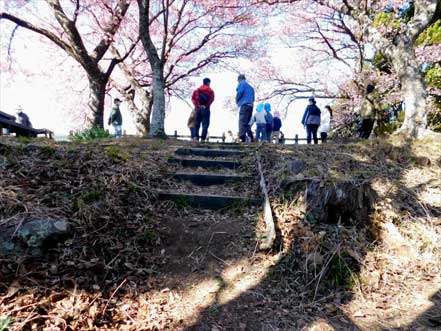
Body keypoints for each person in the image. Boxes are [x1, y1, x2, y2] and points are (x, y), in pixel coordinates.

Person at [236, 74, 255, 142]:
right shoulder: (251, 87)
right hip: (251, 105)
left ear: (239, 79)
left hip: (244, 105)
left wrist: (237, 100)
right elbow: (253, 98)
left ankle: (242, 137)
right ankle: (250, 135)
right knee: (247, 122)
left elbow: (240, 92)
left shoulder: (242, 84)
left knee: (242, 121)